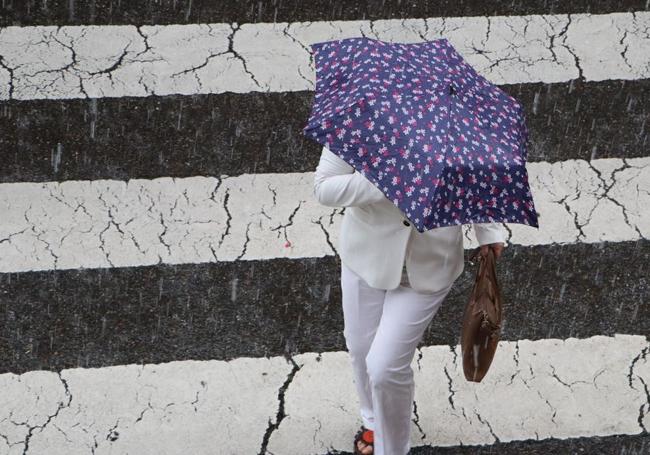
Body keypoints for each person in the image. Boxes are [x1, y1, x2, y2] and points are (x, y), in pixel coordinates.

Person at [312, 145, 506, 455]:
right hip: (366, 257)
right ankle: (373, 420)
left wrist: (488, 231)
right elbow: (325, 189)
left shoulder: (456, 120)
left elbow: (476, 178)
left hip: (431, 262)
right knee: (361, 348)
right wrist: (386, 180)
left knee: (385, 366)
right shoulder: (363, 117)